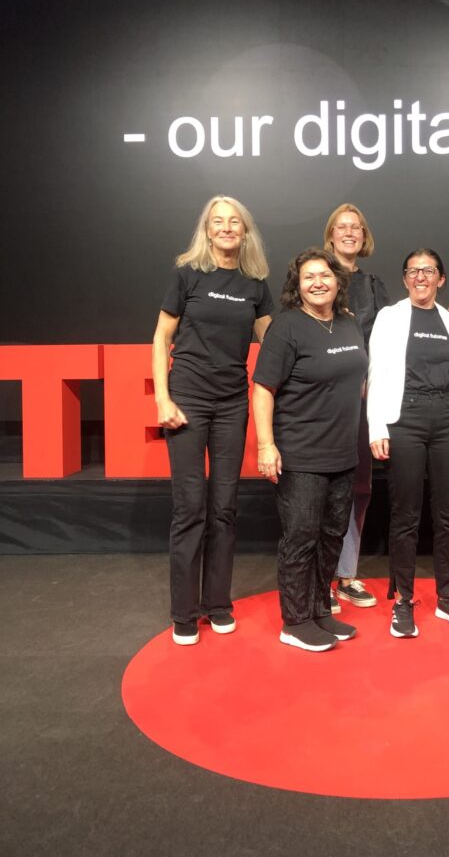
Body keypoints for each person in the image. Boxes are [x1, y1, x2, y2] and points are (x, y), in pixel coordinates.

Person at [152, 195, 273, 646]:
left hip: (231, 403)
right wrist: (163, 398)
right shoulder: (187, 275)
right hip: (187, 399)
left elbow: (274, 340)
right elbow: (161, 337)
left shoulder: (255, 284)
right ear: (207, 230)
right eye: (218, 222)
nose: (226, 228)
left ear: (244, 232)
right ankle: (185, 612)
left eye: (234, 222)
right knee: (190, 508)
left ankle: (218, 605)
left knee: (224, 507)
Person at [252, 248, 367, 652]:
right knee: (300, 538)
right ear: (296, 286)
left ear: (338, 280)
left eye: (324, 275)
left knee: (332, 536)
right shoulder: (287, 328)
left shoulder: (349, 325)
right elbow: (264, 388)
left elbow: (358, 382)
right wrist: (266, 445)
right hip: (301, 455)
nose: (318, 282)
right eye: (308, 277)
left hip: (343, 453)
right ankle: (295, 620)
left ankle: (320, 609)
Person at [368, 249, 449, 638]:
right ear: (404, 278)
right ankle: (403, 601)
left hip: (448, 419)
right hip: (405, 420)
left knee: (448, 514)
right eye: (413, 271)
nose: (420, 277)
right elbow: (376, 370)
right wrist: (376, 426)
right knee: (405, 515)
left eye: (428, 271)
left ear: (440, 279)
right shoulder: (390, 317)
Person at [323, 203, 390, 611]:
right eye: (342, 227)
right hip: (323, 400)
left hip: (364, 401)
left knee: (359, 487)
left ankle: (346, 575)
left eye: (356, 227)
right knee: (322, 486)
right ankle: (321, 576)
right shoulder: (314, 276)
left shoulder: (375, 286)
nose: (350, 233)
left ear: (363, 237)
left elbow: (384, 342)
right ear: (330, 234)